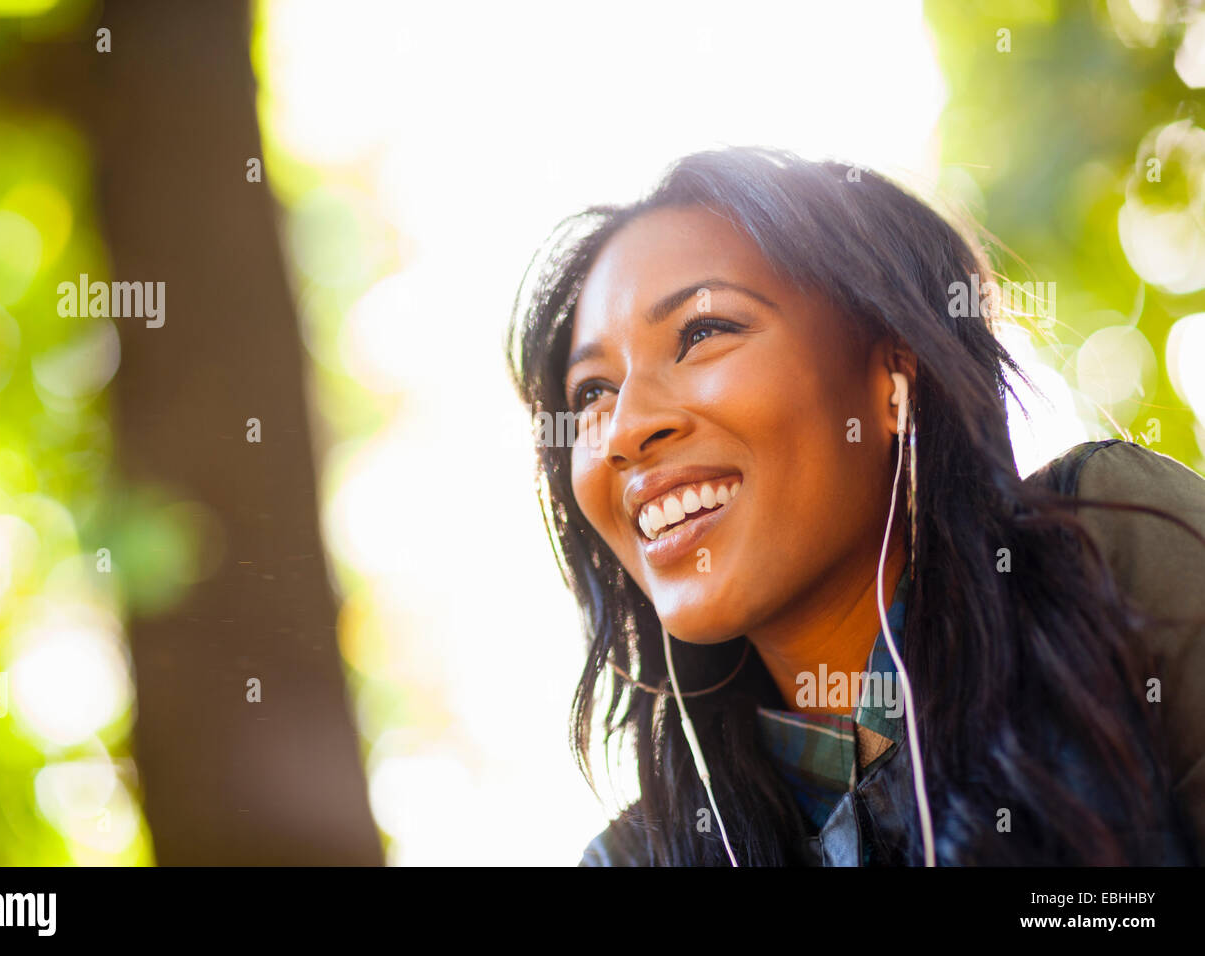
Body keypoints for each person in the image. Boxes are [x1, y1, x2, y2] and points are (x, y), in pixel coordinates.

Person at [505, 146, 1205, 866]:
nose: (623, 429)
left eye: (703, 332)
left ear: (891, 376)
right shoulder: (634, 859)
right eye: (592, 392)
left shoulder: (1105, 553)